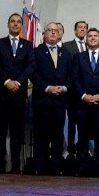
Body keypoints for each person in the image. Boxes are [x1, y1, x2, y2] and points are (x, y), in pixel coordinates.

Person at [0, 13, 35, 174]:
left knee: (17, 130)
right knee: (1, 130)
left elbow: (31, 66)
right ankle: (1, 164)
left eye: (18, 22)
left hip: (19, 93)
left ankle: (16, 165)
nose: (15, 24)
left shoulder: (28, 45)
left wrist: (18, 82)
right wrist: (7, 81)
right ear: (8, 24)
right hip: (1, 92)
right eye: (12, 22)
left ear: (21, 26)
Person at [70, 27, 99, 177]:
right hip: (83, 104)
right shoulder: (78, 57)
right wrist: (84, 95)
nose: (93, 38)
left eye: (96, 36)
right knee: (82, 138)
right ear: (86, 39)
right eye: (90, 36)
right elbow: (74, 78)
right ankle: (82, 169)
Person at [31, 22, 72, 175]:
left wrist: (64, 88)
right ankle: (39, 168)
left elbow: (71, 75)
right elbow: (33, 74)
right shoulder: (36, 52)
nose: (53, 33)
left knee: (57, 135)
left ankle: (55, 168)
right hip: (42, 100)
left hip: (60, 101)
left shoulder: (66, 53)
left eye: (56, 31)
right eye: (50, 30)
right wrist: (47, 88)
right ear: (44, 34)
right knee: (41, 135)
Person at [62, 20, 89, 161]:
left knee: (86, 122)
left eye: (85, 28)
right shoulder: (67, 46)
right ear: (75, 30)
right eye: (80, 27)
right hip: (73, 92)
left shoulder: (90, 46)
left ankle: (83, 150)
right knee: (72, 122)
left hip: (88, 92)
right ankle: (71, 151)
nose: (82, 30)